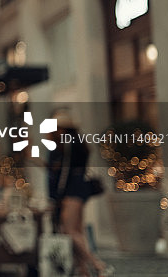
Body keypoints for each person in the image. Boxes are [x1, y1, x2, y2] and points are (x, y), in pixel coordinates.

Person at [47, 108, 113, 277]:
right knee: (76, 231)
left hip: (72, 191)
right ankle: (84, 271)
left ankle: (98, 265)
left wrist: (57, 196)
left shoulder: (68, 144)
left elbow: (64, 173)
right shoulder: (78, 143)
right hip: (79, 189)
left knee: (69, 230)